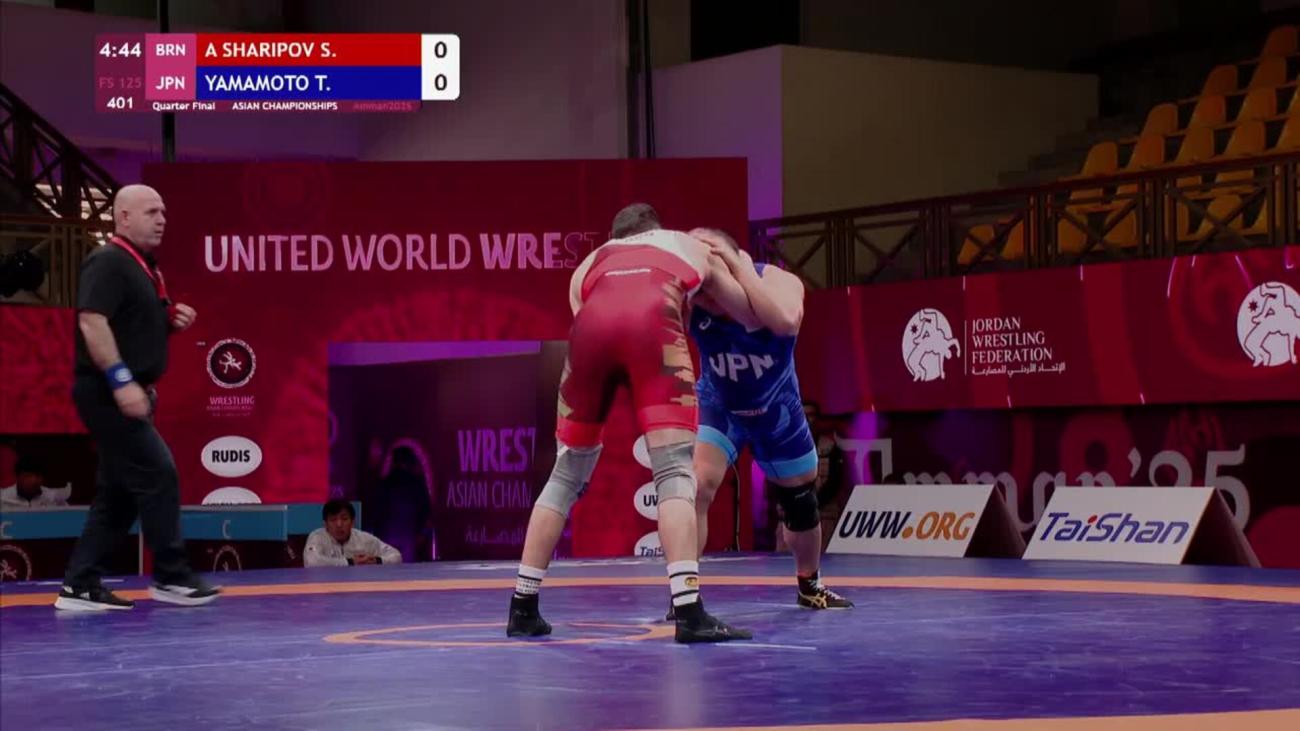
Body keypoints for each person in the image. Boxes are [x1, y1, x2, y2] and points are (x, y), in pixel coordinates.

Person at [507, 203, 759, 643]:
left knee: (564, 476)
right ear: (656, 228)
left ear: (615, 237)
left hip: (589, 335)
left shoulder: (591, 262)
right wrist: (734, 263)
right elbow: (749, 314)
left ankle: (522, 607)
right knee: (674, 470)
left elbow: (587, 318)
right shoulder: (687, 243)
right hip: (653, 327)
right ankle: (688, 611)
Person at [55, 184, 219, 611]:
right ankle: (171, 575)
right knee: (158, 472)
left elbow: (126, 327)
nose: (162, 219)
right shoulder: (109, 261)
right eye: (151, 212)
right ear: (123, 217)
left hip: (125, 390)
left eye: (163, 211)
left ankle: (80, 584)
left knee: (120, 493)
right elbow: (92, 322)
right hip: (108, 392)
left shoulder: (143, 267)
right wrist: (121, 381)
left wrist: (169, 321)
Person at [680, 228, 852, 612]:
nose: (706, 299)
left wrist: (736, 266)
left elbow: (787, 321)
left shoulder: (777, 281)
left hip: (775, 410)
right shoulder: (691, 297)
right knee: (697, 486)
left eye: (711, 286)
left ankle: (810, 584)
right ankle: (684, 593)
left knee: (800, 502)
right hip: (721, 405)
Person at [303, 500, 403, 567]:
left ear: (352, 522)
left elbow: (396, 556)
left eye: (344, 519)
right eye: (333, 520)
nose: (339, 524)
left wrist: (377, 560)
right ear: (325, 524)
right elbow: (311, 562)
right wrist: (350, 562)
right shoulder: (317, 537)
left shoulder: (364, 539)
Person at [0, 455, 70, 510]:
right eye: (28, 476)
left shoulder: (53, 498)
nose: (33, 481)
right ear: (17, 477)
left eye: (38, 476)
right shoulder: (3, 498)